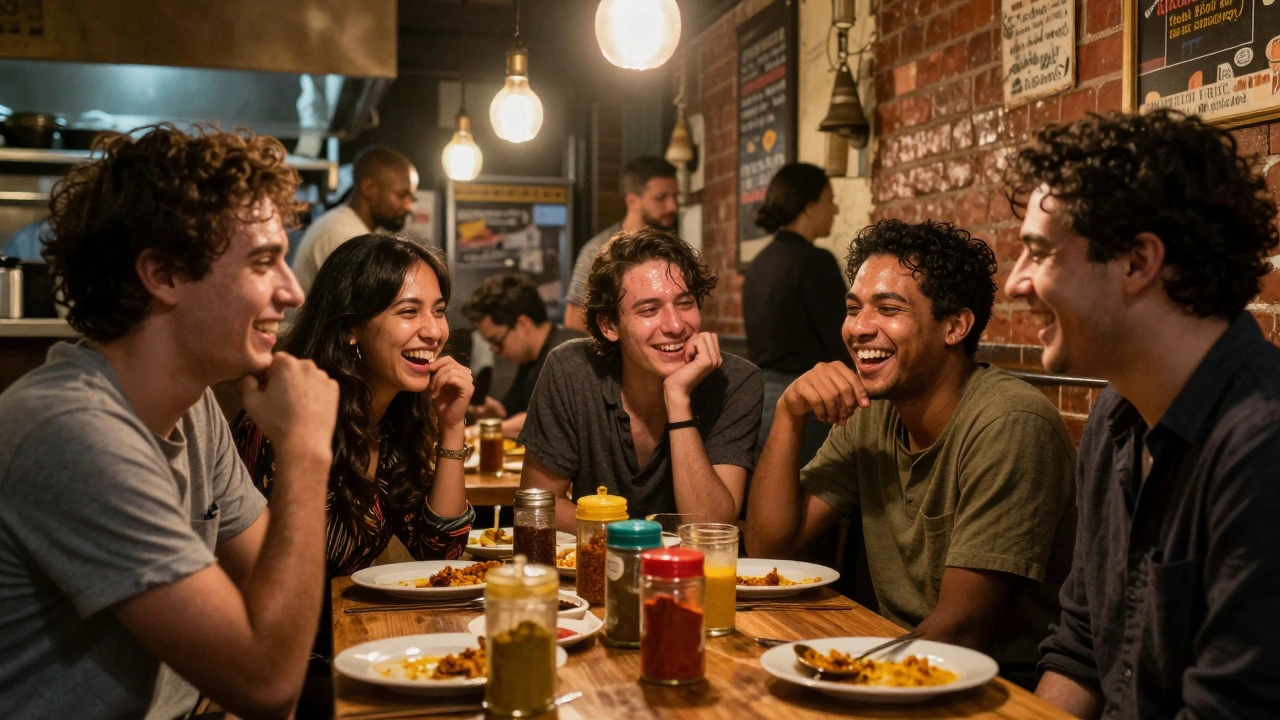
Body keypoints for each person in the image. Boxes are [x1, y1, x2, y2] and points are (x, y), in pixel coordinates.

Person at [0, 125, 339, 719]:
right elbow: (266, 682)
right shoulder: (72, 431)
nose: (295, 292)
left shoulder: (196, 405)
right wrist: (307, 450)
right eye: (264, 262)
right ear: (164, 275)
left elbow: (281, 600)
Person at [1005, 110, 1280, 718]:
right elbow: (1082, 646)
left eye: (1038, 253)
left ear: (1137, 263)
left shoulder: (1262, 446)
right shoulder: (1113, 418)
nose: (1014, 284)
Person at [744, 218, 1077, 686]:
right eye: (853, 308)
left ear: (955, 326)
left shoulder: (1009, 422)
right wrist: (787, 414)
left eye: (888, 308)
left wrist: (835, 675)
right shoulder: (873, 411)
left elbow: (961, 630)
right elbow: (768, 550)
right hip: (893, 661)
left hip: (994, 689)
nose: (859, 328)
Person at [234, 233, 476, 577]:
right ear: (351, 328)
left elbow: (439, 550)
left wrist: (452, 427)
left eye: (439, 311)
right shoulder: (283, 416)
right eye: (409, 311)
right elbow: (274, 571)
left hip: (344, 624)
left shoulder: (397, 419)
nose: (434, 331)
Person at [520, 228, 763, 529]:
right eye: (649, 309)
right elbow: (538, 507)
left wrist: (677, 398)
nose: (675, 325)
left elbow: (710, 526)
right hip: (596, 568)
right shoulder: (571, 370)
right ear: (609, 326)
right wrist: (632, 541)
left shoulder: (735, 381)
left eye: (685, 303)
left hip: (695, 574)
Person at [743, 162, 849, 465]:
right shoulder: (815, 261)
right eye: (830, 200)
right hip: (810, 401)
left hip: (760, 403)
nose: (836, 210)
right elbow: (840, 339)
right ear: (810, 206)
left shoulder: (759, 263)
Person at [564, 156, 678, 332]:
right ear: (632, 201)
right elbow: (574, 324)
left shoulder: (674, 250)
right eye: (661, 198)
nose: (672, 206)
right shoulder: (598, 250)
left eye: (674, 197)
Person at [461, 272, 583, 437]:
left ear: (523, 324)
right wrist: (496, 416)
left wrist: (485, 429)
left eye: (496, 341)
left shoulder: (567, 353)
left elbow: (553, 420)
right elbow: (518, 415)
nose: (495, 350)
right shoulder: (530, 359)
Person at [291, 146, 419, 292]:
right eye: (402, 195)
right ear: (369, 188)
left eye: (411, 197)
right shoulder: (342, 235)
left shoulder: (358, 230)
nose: (409, 206)